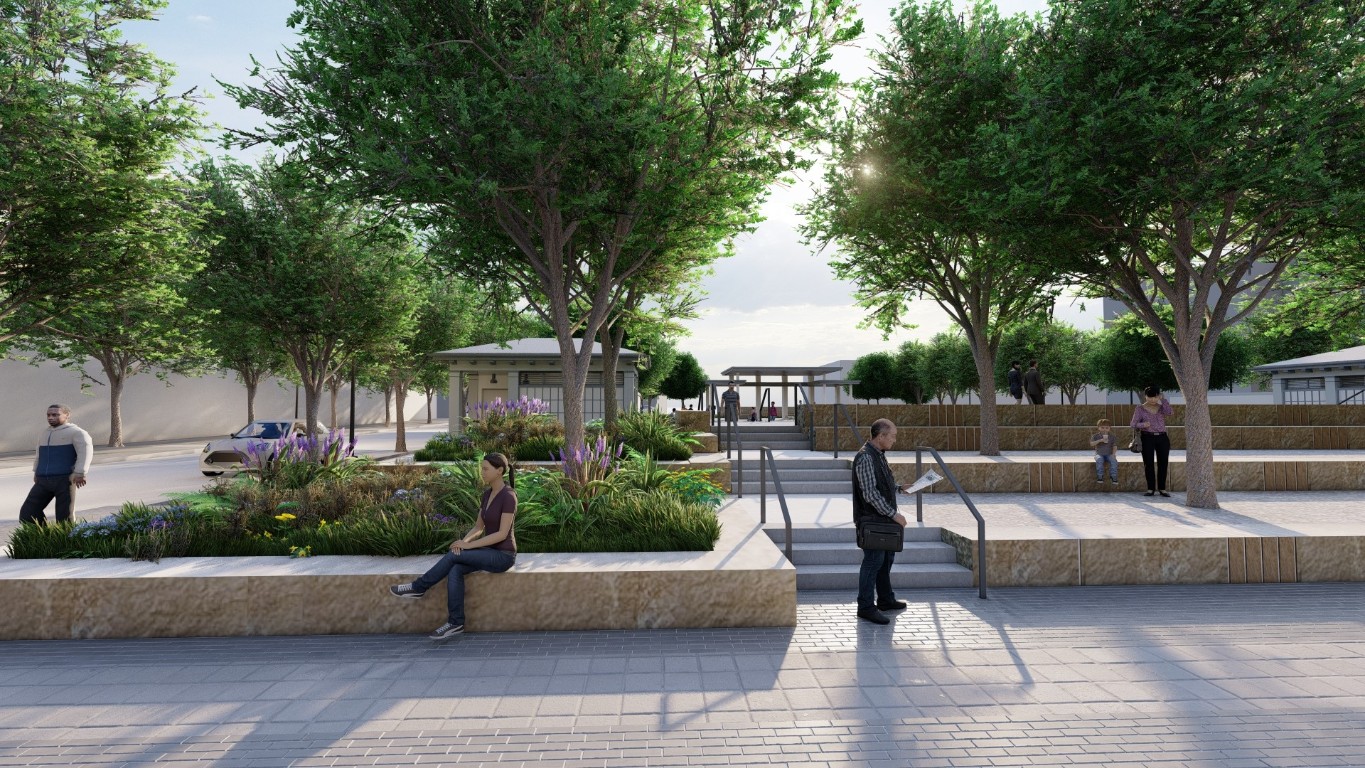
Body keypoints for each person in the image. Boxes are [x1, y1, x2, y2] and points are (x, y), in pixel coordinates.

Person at [390, 452, 518, 640]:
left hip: (503, 556)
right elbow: (478, 526)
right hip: (489, 552)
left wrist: (467, 547)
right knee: (455, 569)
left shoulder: (509, 496)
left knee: (454, 556)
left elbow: (502, 534)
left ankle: (419, 587)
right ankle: (455, 623)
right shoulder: (487, 494)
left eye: (486, 469)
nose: (482, 472)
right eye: (481, 468)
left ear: (499, 471)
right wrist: (464, 543)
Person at [852, 418, 910, 625]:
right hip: (873, 520)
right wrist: (894, 515)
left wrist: (899, 488)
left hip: (882, 520)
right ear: (881, 436)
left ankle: (885, 600)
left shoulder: (878, 455)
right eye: (892, 436)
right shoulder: (866, 457)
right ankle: (865, 607)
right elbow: (870, 494)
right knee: (872, 562)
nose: (894, 440)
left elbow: (880, 486)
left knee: (885, 561)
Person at [19, 404, 93, 526]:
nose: (50, 417)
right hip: (43, 480)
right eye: (48, 415)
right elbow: (39, 454)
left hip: (65, 479)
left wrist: (81, 472)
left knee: (64, 516)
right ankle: (42, 539)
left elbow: (85, 452)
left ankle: (66, 541)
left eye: (55, 414)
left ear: (67, 415)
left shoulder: (77, 432)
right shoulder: (45, 433)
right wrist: (36, 472)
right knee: (28, 512)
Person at [1131, 386, 1174, 497]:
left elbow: (1170, 413)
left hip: (1162, 438)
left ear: (1158, 396)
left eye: (1155, 397)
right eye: (1150, 397)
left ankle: (1162, 489)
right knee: (1148, 463)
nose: (1153, 400)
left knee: (1163, 463)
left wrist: (1163, 400)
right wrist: (1143, 425)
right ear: (1145, 396)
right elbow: (1133, 424)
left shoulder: (1162, 407)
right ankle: (1150, 489)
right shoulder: (1139, 408)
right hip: (1147, 438)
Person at [1090, 418, 1119, 486]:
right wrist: (1100, 440)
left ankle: (1113, 476)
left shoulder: (1112, 436)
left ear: (1109, 428)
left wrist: (1113, 454)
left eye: (1106, 428)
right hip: (1099, 454)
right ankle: (1100, 476)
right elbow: (1091, 444)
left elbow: (1115, 446)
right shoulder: (1095, 436)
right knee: (1099, 460)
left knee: (1114, 461)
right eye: (1102, 427)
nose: (1104, 429)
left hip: (1109, 454)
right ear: (1098, 428)